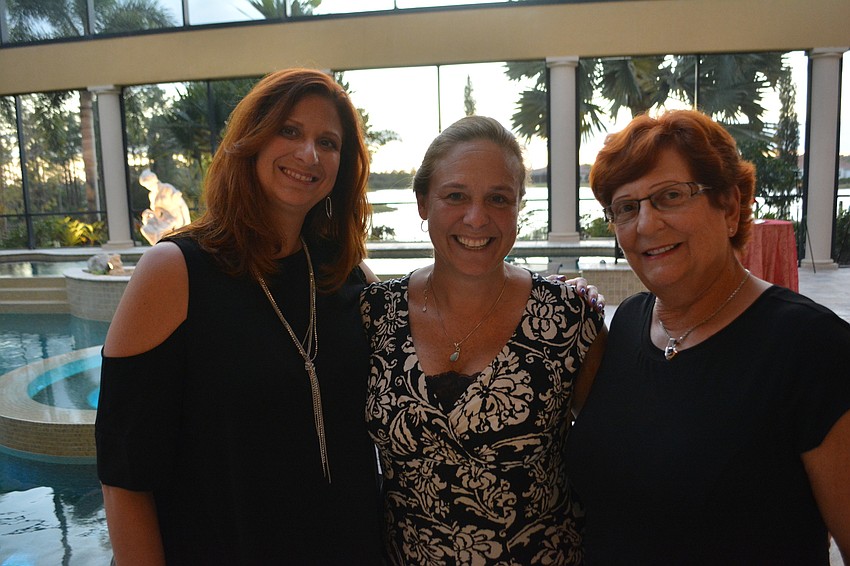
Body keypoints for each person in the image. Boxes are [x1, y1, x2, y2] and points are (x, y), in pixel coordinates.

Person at [95, 69, 384, 564]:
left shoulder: (345, 273)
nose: (309, 154)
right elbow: (125, 473)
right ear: (252, 139)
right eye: (289, 130)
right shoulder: (175, 270)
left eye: (328, 142)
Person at [565, 109, 850, 564]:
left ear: (730, 207)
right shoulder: (629, 322)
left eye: (671, 196)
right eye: (626, 208)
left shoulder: (813, 347)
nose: (646, 225)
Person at [360, 116, 607, 565]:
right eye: (455, 196)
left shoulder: (569, 318)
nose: (477, 218)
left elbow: (613, 461)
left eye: (498, 198)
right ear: (423, 203)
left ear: (518, 208)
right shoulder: (376, 314)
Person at [138, 169, 192, 245]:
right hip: (162, 220)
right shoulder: (152, 195)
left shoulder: (167, 188)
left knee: (160, 232)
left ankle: (161, 247)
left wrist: (187, 223)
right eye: (146, 186)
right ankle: (158, 247)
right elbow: (156, 213)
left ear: (154, 180)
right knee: (145, 229)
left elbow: (182, 205)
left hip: (174, 219)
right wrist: (148, 214)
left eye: (149, 184)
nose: (148, 187)